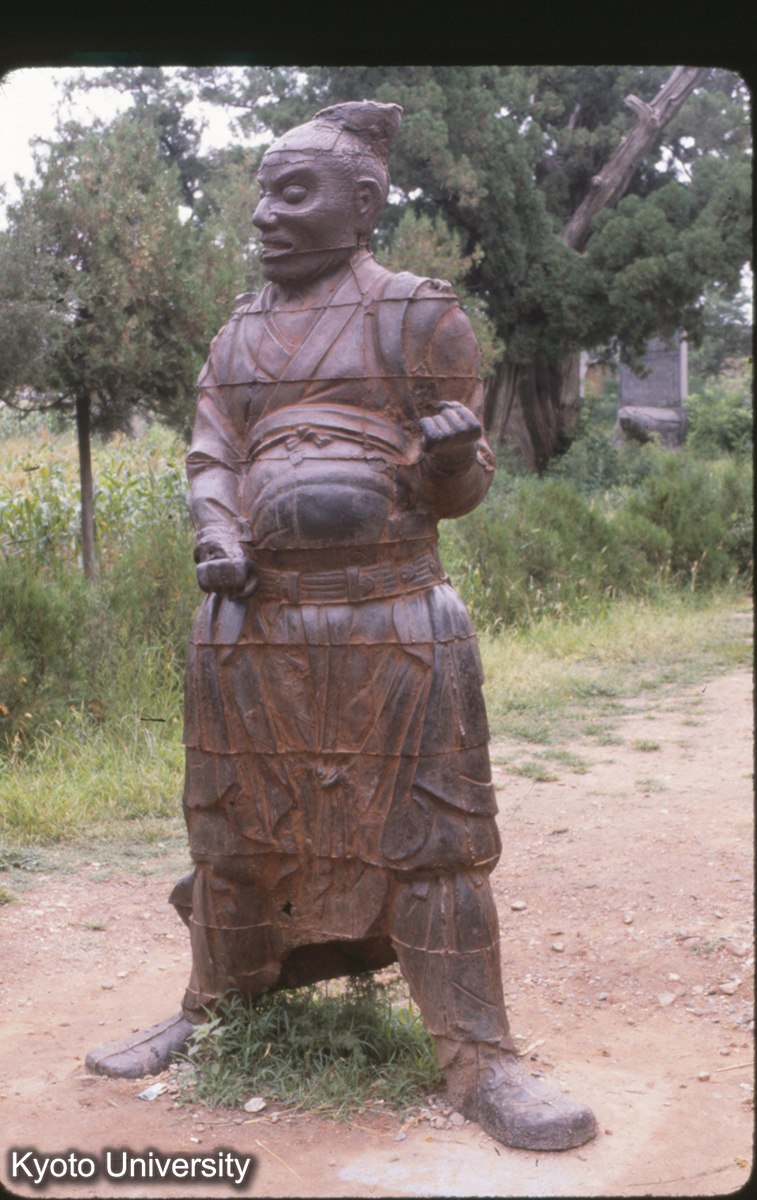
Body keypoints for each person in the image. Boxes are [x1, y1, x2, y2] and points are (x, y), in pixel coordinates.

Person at [86, 100, 597, 1152]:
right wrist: (218, 531)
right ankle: (213, 1008)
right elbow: (211, 455)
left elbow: (463, 485)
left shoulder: (418, 316)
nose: (264, 216)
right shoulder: (238, 332)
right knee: (232, 831)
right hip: (250, 625)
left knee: (437, 843)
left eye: (292, 192)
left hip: (395, 620)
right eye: (261, 195)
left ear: (362, 204)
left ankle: (479, 1057)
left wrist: (449, 461)